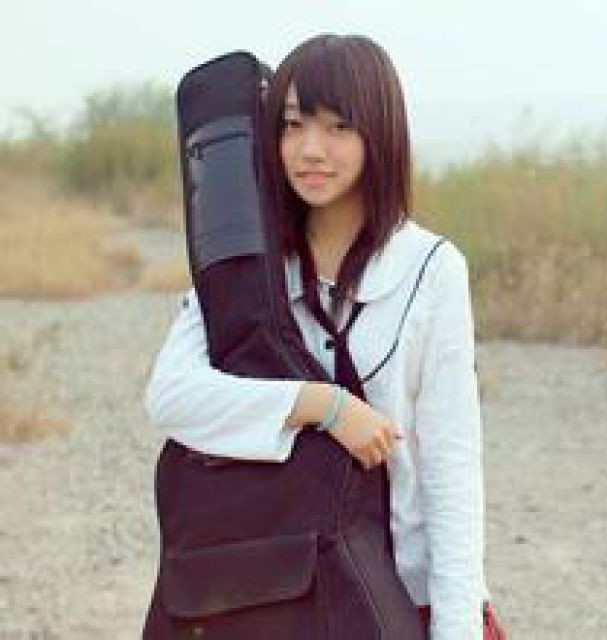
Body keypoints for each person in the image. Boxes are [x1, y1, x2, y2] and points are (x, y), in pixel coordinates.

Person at [145, 33, 491, 639]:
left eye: (337, 127)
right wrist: (324, 406)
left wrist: (455, 627)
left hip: (397, 595)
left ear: (378, 134)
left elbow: (450, 467)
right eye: (292, 124)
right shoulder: (242, 270)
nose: (310, 149)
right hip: (272, 598)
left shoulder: (429, 269)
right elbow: (171, 398)